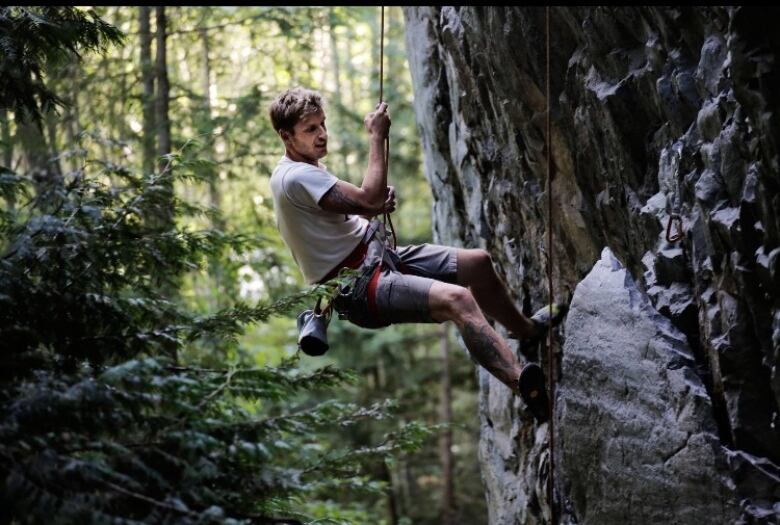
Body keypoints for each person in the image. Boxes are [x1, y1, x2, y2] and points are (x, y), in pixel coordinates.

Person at [268, 87, 565, 423]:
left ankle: (527, 332)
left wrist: (371, 205)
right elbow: (367, 198)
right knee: (458, 301)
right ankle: (526, 389)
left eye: (322, 124)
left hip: (377, 257)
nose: (322, 135)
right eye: (311, 129)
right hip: (359, 289)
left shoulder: (300, 169)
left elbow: (351, 212)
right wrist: (377, 136)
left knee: (478, 264)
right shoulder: (296, 176)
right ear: (286, 135)